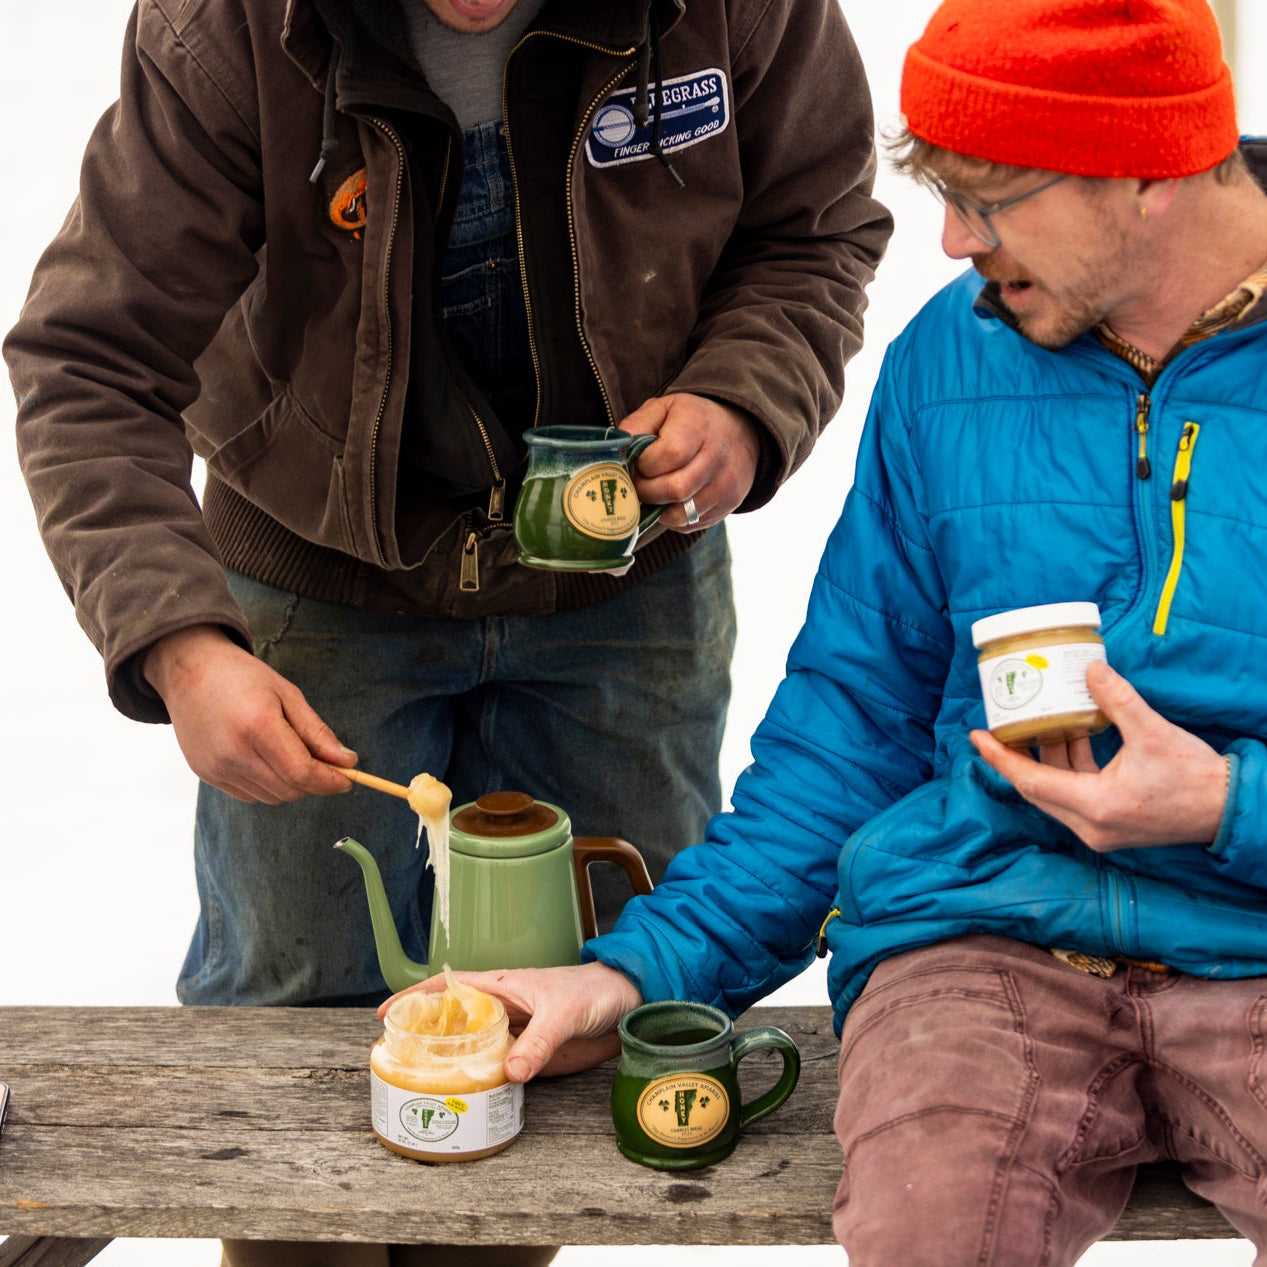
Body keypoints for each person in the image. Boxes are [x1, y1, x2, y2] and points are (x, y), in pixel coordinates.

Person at [406, 1, 1267, 1261]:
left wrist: (1221, 806)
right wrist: (639, 971)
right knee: (927, 1228)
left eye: (992, 195)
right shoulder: (946, 365)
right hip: (978, 946)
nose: (952, 237)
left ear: (1142, 166)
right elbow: (850, 734)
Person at [6, 0, 890, 1017]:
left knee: (623, 995)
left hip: (625, 585)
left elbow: (811, 232)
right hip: (313, 581)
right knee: (296, 1026)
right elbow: (89, 361)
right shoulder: (225, 27)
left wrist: (742, 400)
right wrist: (181, 647)